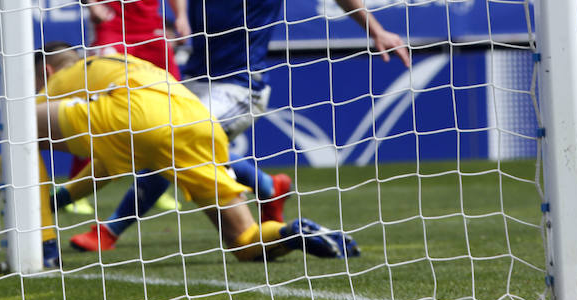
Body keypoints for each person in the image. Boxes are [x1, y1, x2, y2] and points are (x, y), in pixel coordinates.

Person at [67, 0, 410, 252]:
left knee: (171, 139)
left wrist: (376, 30)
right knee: (172, 142)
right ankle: (268, 186)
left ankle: (110, 230)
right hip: (196, 78)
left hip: (243, 86)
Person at [40, 46, 360, 262]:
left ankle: (51, 245)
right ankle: (290, 232)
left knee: (21, 135)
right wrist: (59, 200)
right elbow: (104, 167)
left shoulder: (64, 80)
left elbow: (16, 144)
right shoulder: (129, 66)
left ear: (48, 69)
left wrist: (39, 212)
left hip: (154, 120)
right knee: (244, 241)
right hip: (200, 120)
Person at [63, 0, 189, 213]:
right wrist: (89, 3)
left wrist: (180, 17)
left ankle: (155, 184)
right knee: (93, 104)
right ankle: (77, 189)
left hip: (150, 27)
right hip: (112, 26)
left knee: (171, 103)